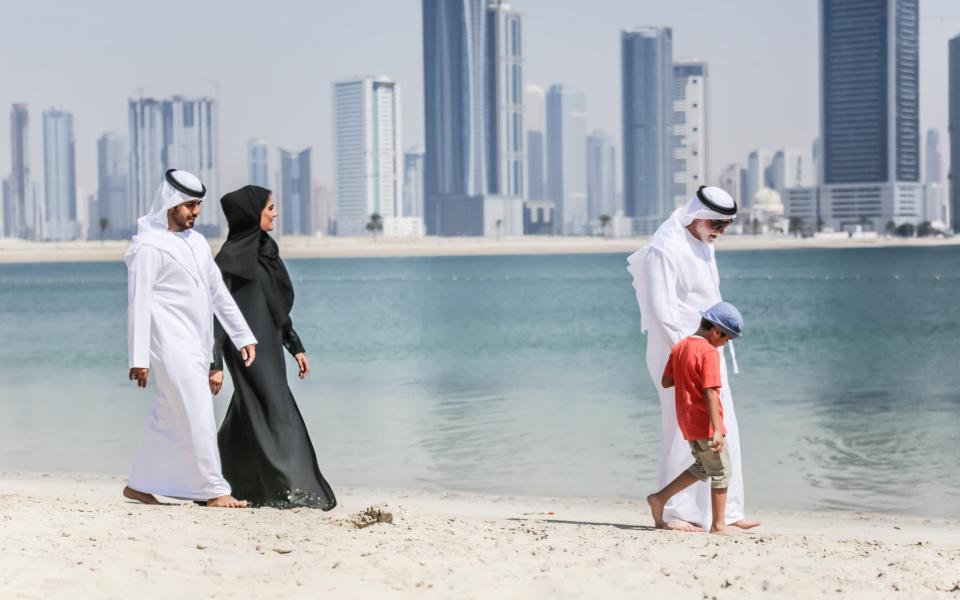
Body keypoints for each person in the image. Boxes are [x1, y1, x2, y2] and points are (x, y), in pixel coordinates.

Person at [627, 185, 759, 532]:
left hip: (707, 349)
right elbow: (661, 311)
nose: (720, 230)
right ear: (697, 215)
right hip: (678, 353)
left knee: (723, 423)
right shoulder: (664, 248)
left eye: (726, 225)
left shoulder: (703, 244)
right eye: (716, 222)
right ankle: (675, 512)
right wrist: (688, 353)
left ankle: (726, 512)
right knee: (682, 431)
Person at [124, 169, 257, 508]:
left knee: (168, 415)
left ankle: (139, 484)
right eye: (189, 205)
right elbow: (138, 304)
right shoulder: (148, 247)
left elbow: (218, 293)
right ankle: (215, 490)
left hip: (197, 345)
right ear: (171, 203)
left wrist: (243, 336)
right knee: (199, 412)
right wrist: (138, 359)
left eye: (198, 205)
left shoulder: (197, 243)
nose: (195, 212)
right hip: (170, 348)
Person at [209, 185, 336, 510]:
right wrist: (216, 363)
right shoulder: (228, 259)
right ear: (252, 213)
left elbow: (276, 308)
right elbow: (218, 315)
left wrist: (296, 347)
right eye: (269, 208)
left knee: (249, 413)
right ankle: (290, 488)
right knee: (276, 411)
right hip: (245, 350)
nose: (275, 213)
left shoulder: (267, 251)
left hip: (270, 346)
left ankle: (220, 480)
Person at [647, 302, 744, 535]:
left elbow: (667, 382)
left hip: (687, 421)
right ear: (716, 332)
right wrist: (718, 429)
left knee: (703, 467)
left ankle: (659, 498)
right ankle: (719, 525)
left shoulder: (681, 347)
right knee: (721, 473)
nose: (725, 343)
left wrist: (688, 375)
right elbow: (711, 391)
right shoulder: (709, 352)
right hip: (705, 422)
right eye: (727, 339)